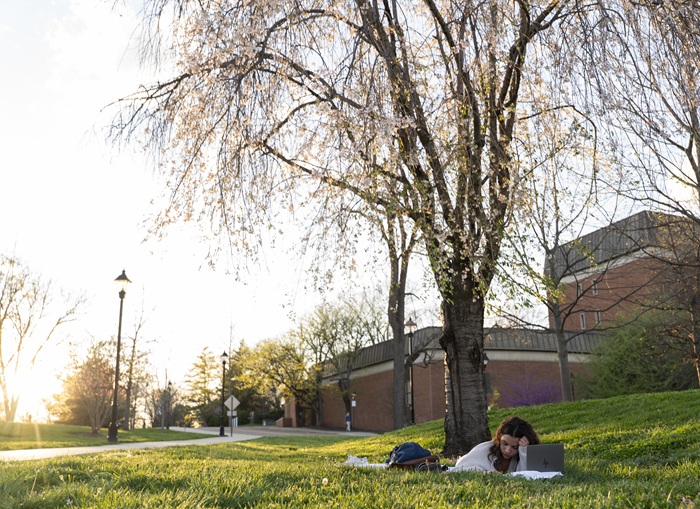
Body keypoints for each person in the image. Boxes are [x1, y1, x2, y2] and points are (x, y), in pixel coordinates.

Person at [453, 416, 540, 473]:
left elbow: (526, 475)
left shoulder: (522, 453)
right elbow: (459, 467)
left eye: (514, 447)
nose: (507, 450)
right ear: (499, 438)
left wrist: (524, 452)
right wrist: (485, 473)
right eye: (504, 443)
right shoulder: (485, 450)